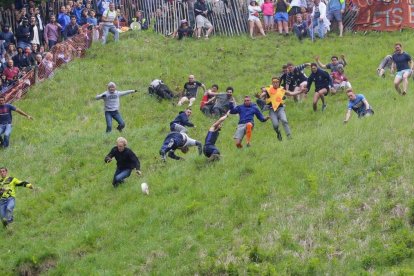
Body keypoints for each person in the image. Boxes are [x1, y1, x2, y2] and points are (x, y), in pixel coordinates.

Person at [261, 77, 292, 141]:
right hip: (272, 110)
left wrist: (300, 91)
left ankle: (289, 136)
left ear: (279, 83)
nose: (275, 84)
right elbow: (262, 95)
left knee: (284, 121)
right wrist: (260, 96)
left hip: (280, 108)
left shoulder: (281, 90)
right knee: (275, 125)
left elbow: (291, 93)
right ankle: (278, 133)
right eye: (274, 82)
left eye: (277, 82)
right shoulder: (269, 90)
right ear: (272, 83)